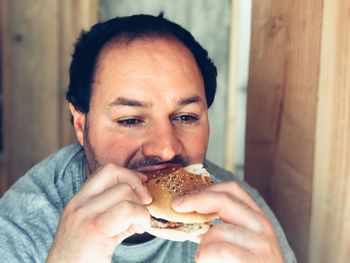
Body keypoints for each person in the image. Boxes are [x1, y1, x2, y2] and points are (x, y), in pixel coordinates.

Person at [0, 14, 296, 262]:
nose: (166, 148)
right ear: (81, 124)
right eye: (130, 120)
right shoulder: (20, 227)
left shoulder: (242, 220)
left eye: (186, 117)